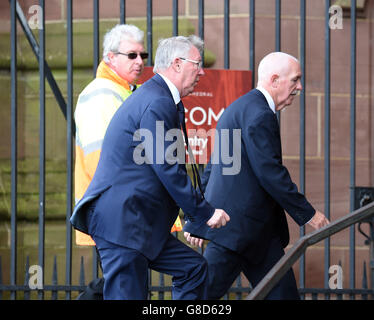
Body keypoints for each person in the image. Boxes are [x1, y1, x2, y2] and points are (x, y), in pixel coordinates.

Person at [70, 35, 230, 300]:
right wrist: (204, 212)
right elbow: (166, 167)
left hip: (141, 223)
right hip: (123, 223)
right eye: (197, 64)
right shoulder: (157, 100)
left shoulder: (160, 97)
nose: (202, 71)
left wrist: (194, 215)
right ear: (177, 64)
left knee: (193, 268)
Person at [184, 52, 330, 300]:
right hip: (237, 231)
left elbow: (215, 166)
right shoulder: (260, 113)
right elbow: (271, 173)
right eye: (295, 80)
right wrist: (309, 214)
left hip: (257, 234)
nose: (300, 87)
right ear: (275, 80)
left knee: (283, 296)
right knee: (199, 298)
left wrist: (198, 216)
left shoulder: (238, 107)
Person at [73, 24, 181, 299]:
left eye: (143, 55)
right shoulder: (102, 94)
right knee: (124, 286)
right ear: (110, 57)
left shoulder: (127, 92)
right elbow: (101, 160)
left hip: (127, 211)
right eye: (131, 55)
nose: (140, 62)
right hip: (116, 212)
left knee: (123, 285)